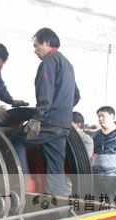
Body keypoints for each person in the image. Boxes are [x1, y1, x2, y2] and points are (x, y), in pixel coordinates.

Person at [15, 27, 80, 196]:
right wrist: (62, 110)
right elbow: (76, 95)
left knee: (16, 140)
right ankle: (56, 202)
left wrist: (37, 119)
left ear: (47, 42)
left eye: (36, 45)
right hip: (63, 125)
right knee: (56, 167)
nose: (35, 50)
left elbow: (45, 94)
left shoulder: (49, 62)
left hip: (49, 123)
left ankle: (24, 182)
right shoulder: (67, 64)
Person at [91, 106, 116, 204]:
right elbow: (92, 155)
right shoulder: (96, 135)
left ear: (112, 116)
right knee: (96, 203)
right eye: (99, 116)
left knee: (111, 204)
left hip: (113, 177)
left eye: (103, 116)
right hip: (96, 176)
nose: (100, 119)